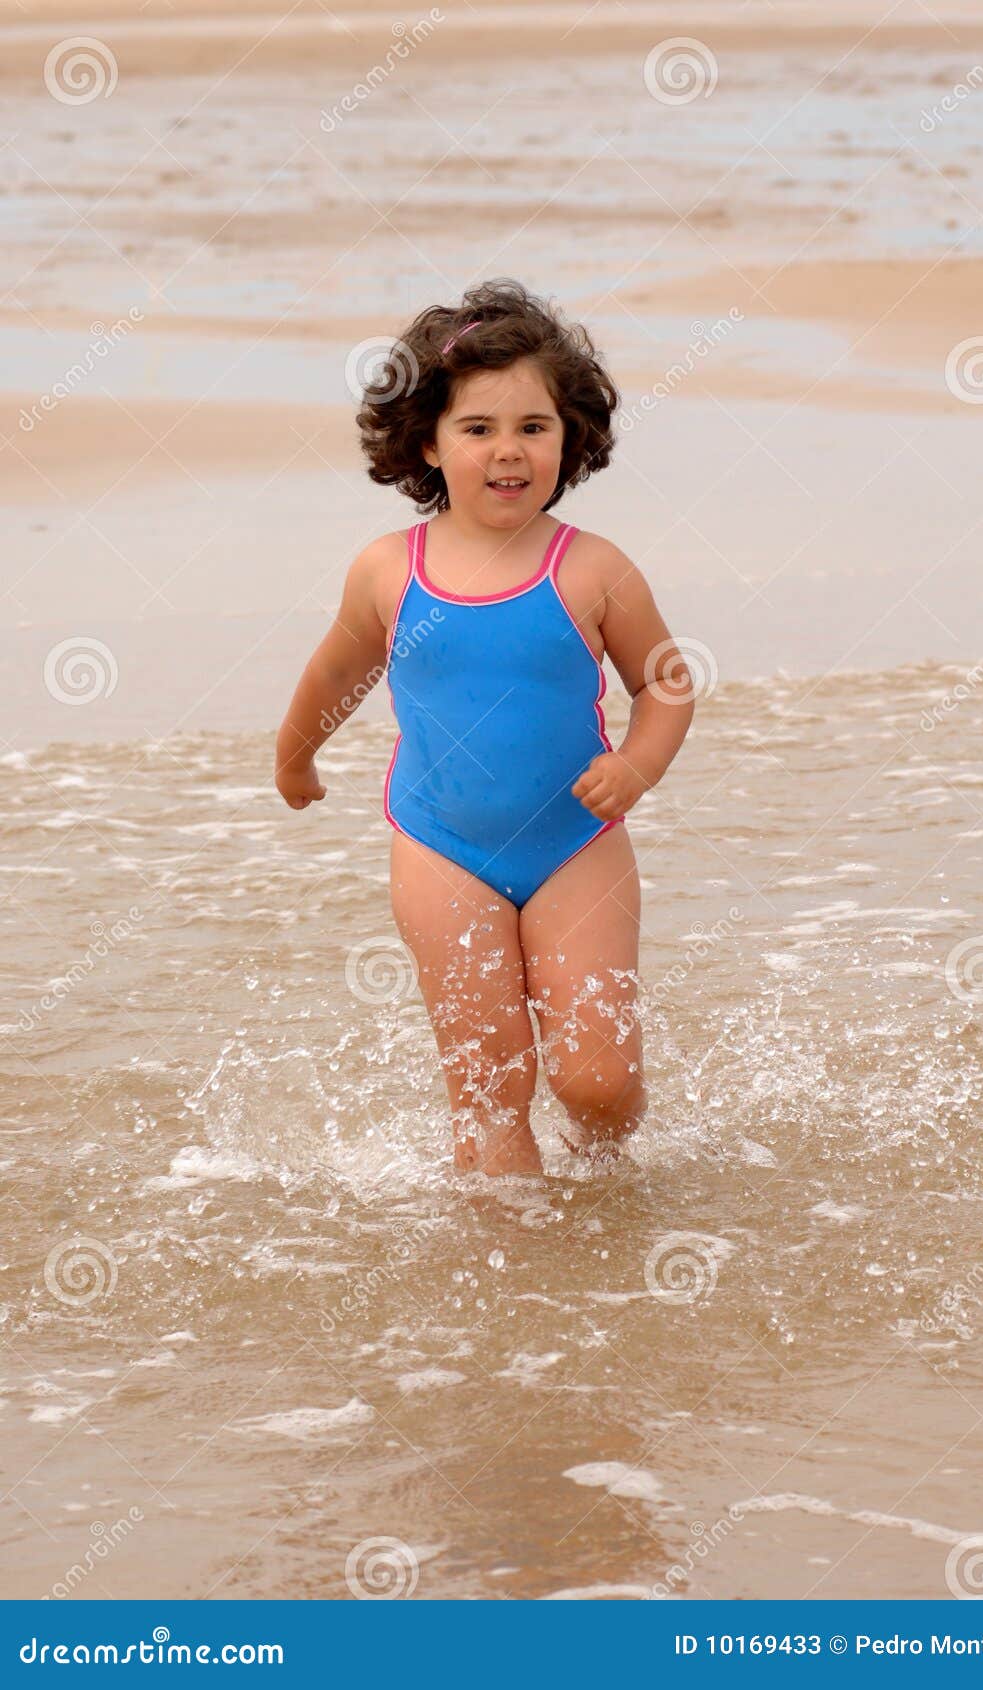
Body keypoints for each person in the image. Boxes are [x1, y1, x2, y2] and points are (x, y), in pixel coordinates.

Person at [275, 279, 694, 1177]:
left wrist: (639, 766)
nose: (508, 452)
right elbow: (339, 672)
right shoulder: (389, 571)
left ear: (568, 436)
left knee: (594, 1076)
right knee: (489, 1081)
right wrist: (295, 755)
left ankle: (608, 1175)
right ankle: (513, 1276)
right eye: (478, 429)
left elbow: (665, 682)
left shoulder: (591, 568)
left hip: (575, 842)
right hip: (439, 846)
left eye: (532, 428)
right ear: (426, 439)